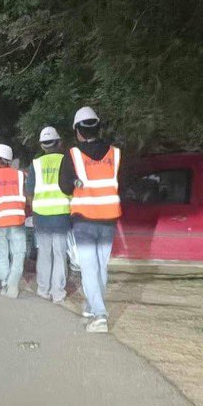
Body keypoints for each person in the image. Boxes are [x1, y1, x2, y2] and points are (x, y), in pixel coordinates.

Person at [59, 106, 122, 334]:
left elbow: (65, 186)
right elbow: (120, 182)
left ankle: (100, 316)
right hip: (108, 218)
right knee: (100, 267)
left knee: (88, 268)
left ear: (78, 131)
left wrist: (78, 184)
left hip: (85, 219)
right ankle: (90, 307)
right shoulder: (115, 154)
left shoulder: (73, 154)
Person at [26, 126, 71, 303]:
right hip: (61, 215)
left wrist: (35, 209)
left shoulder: (36, 164)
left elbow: (29, 192)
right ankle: (58, 293)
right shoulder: (66, 161)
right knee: (60, 254)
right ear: (58, 142)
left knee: (44, 254)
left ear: (42, 145)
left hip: (41, 216)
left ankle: (43, 290)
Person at [0, 144, 27, 299]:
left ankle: (4, 283)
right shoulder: (21, 175)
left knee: (2, 255)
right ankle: (13, 284)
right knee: (19, 253)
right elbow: (25, 196)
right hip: (17, 221)